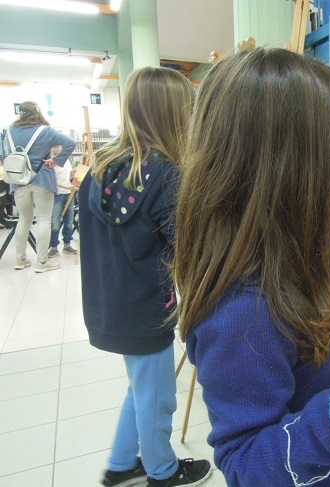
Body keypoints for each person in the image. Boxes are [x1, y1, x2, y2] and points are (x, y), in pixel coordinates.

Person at [172, 48, 330, 487]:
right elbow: (244, 464)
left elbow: (321, 225)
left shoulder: (267, 238)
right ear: (289, 182)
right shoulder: (243, 317)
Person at [78, 66, 212, 487]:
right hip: (145, 311)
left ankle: (121, 465)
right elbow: (188, 251)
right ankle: (162, 472)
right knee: (157, 398)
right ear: (178, 115)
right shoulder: (168, 177)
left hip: (106, 305)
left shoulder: (99, 169)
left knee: (141, 387)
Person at [3, 101, 76, 272]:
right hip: (42, 178)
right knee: (43, 219)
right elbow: (70, 142)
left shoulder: (10, 130)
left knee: (24, 219)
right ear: (38, 111)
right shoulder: (45, 130)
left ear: (20, 113)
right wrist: (56, 161)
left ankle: (20, 260)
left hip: (18, 180)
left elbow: (5, 153)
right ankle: (42, 262)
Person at [47, 144, 77, 257]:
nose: (59, 156)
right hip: (58, 195)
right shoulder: (51, 164)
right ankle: (54, 247)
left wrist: (73, 174)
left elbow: (68, 177)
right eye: (56, 154)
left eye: (61, 153)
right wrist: (67, 187)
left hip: (69, 194)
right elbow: (52, 181)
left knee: (69, 222)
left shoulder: (66, 161)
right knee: (55, 223)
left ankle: (67, 245)